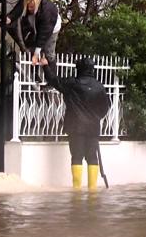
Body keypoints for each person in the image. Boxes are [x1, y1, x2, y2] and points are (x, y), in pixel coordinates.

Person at [40, 56, 110, 190]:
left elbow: (53, 80)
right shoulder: (99, 87)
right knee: (92, 157)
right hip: (93, 128)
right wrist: (95, 118)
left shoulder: (72, 84)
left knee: (77, 156)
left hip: (75, 127)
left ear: (79, 69)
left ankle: (76, 191)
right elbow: (105, 108)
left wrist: (45, 66)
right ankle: (92, 191)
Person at [6, 0, 61, 67]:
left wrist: (36, 54)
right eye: (28, 6)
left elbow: (43, 35)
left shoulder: (47, 12)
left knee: (48, 53)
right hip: (36, 25)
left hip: (52, 28)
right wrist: (10, 18)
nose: (29, 9)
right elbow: (19, 8)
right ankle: (34, 70)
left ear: (37, 4)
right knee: (32, 46)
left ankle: (52, 74)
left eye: (31, 7)